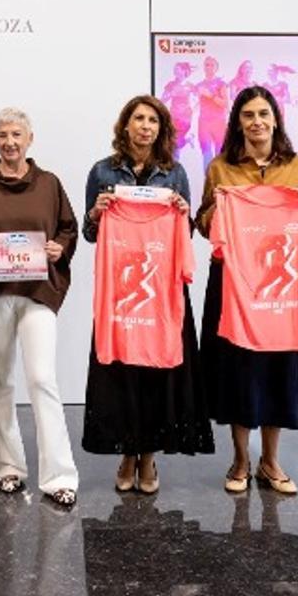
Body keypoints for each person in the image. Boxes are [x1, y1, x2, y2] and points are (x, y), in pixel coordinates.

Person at [82, 95, 214, 494]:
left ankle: (149, 457)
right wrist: (96, 213)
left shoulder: (174, 173)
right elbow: (91, 234)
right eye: (138, 119)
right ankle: (127, 452)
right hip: (121, 292)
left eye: (152, 121)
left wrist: (180, 211)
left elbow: (185, 234)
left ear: (161, 128)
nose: (145, 126)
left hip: (162, 290)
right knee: (121, 370)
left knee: (158, 372)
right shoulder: (102, 171)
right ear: (125, 126)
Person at [195, 85, 298, 495]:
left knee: (277, 368)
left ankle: (270, 461)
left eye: (263, 114)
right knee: (238, 369)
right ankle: (239, 459)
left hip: (281, 291)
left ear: (275, 119)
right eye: (248, 115)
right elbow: (202, 226)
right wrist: (217, 206)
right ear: (238, 122)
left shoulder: (297, 167)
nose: (256, 122)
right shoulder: (220, 167)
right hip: (234, 283)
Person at [0, 107, 79, 506]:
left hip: (37, 291)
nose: (10, 142)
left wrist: (60, 247)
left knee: (43, 378)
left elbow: (68, 227)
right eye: (3, 135)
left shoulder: (49, 183)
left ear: (30, 139)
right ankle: (7, 467)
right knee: (0, 380)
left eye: (17, 135)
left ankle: (59, 475)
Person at [196, 56, 228, 174]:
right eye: (206, 65)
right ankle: (208, 183)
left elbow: (225, 104)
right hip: (204, 122)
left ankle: (219, 180)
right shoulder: (199, 85)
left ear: (216, 68)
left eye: (211, 65)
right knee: (206, 152)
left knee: (219, 152)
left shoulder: (221, 84)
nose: (208, 67)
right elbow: (196, 104)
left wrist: (210, 95)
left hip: (218, 121)